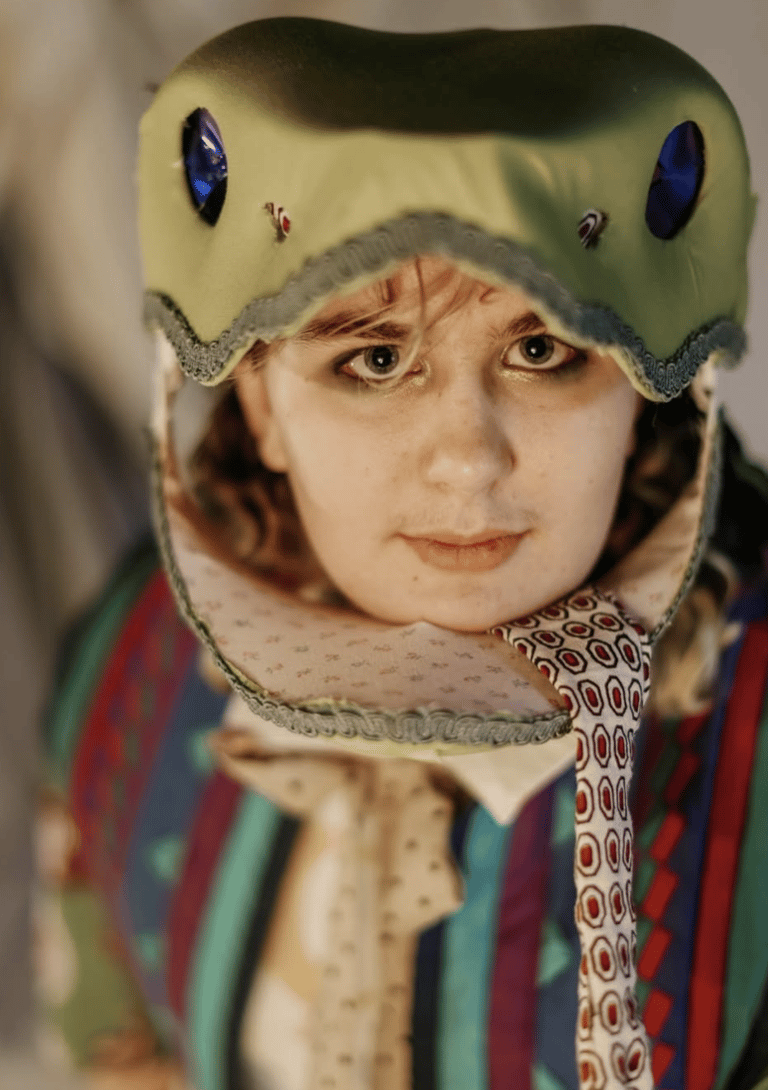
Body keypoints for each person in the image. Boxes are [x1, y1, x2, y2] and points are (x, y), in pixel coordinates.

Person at [44, 16, 768, 1090]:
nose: (468, 462)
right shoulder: (128, 664)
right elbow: (111, 1032)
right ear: (260, 402)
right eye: (375, 361)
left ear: (645, 389)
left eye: (542, 350)